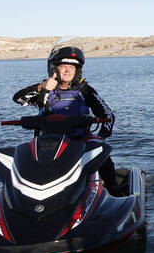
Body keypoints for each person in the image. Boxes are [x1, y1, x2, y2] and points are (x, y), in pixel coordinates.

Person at [13, 45, 124, 195]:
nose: (68, 70)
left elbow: (108, 115)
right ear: (54, 69)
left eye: (72, 67)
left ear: (77, 70)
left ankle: (113, 190)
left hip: (80, 142)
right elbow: (18, 99)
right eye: (63, 66)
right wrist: (41, 87)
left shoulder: (85, 90)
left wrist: (101, 136)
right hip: (47, 145)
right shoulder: (44, 90)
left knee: (102, 153)